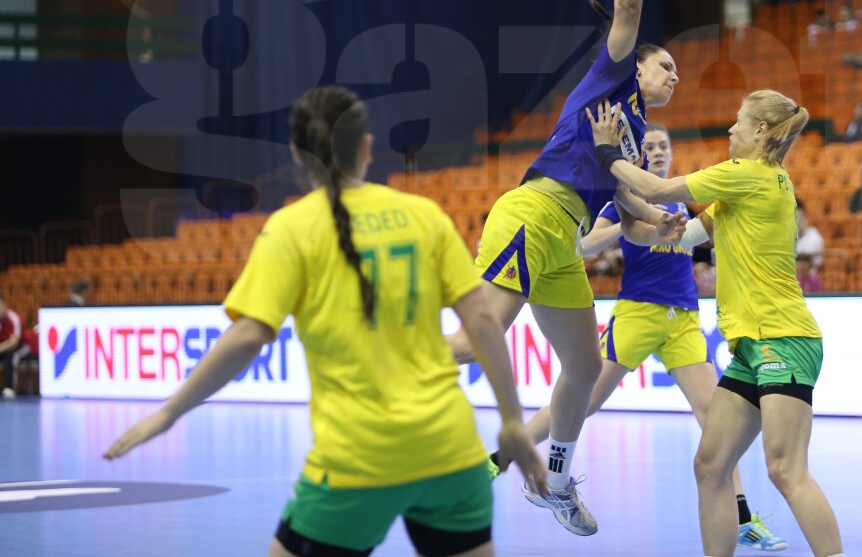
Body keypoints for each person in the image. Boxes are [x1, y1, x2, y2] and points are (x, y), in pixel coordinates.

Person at [103, 86, 546, 557]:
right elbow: (481, 320)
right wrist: (513, 421)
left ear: (296, 153)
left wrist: (170, 412)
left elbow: (248, 335)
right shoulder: (424, 216)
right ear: (368, 147)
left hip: (357, 462)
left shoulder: (290, 230)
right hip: (450, 451)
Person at [445, 0, 684, 537]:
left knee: (583, 367)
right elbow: (629, 7)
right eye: (666, 68)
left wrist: (655, 221)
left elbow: (626, 211)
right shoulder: (613, 72)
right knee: (482, 333)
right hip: (534, 212)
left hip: (564, 237)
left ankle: (554, 481)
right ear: (637, 67)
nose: (674, 77)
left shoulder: (632, 135)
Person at [506, 122, 789, 552]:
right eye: (650, 146)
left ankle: (743, 517)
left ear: (671, 153)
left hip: (684, 319)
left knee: (715, 414)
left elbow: (705, 238)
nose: (657, 152)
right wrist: (629, 221)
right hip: (638, 312)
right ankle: (503, 456)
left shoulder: (679, 202)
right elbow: (584, 245)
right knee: (587, 400)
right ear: (639, 152)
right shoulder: (626, 201)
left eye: (663, 146)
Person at [589, 90, 845, 557]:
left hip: (783, 339)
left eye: (739, 121)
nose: (730, 129)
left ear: (761, 132)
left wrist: (605, 154)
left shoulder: (746, 175)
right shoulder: (743, 188)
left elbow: (660, 191)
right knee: (711, 465)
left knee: (786, 470)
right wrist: (620, 201)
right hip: (753, 346)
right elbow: (669, 234)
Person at [0, 297, 22, 399]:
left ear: (4, 305)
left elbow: (14, 342)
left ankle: (10, 387)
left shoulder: (13, 317)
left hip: (22, 346)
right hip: (3, 348)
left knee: (12, 355)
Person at [794, 200, 825, 266]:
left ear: (805, 217)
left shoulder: (814, 238)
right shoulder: (792, 236)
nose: (797, 222)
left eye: (799, 218)